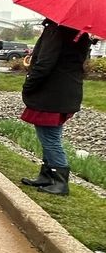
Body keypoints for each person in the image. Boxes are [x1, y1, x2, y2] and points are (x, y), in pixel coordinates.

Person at [20, 20, 91, 196]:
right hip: (66, 91)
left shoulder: (56, 30)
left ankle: (60, 181)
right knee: (51, 135)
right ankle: (47, 175)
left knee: (49, 137)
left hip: (51, 92)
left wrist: (29, 85)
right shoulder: (80, 32)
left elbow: (45, 63)